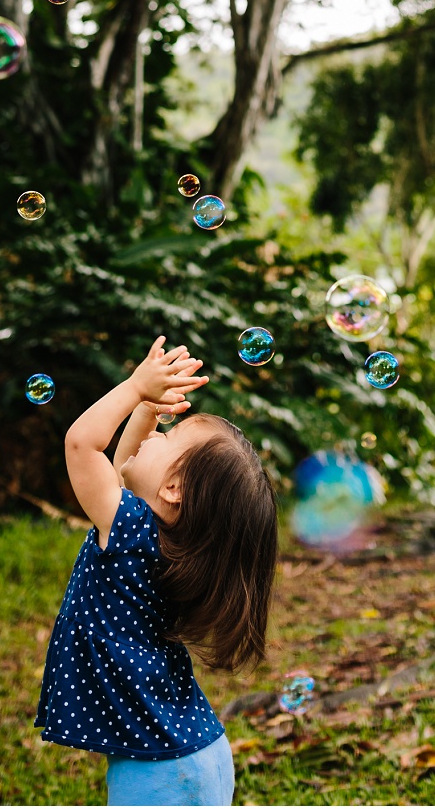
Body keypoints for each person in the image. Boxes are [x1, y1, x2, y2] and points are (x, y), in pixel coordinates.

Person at [35, 335, 277, 807]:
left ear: (172, 490)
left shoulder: (128, 529)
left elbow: (83, 445)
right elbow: (125, 464)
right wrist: (147, 409)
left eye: (167, 436)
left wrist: (133, 387)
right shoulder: (163, 542)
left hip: (158, 773)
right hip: (197, 752)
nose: (154, 435)